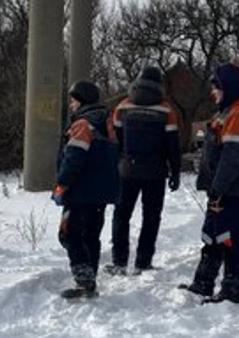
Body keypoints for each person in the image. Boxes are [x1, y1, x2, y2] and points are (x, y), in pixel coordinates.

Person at [180, 62, 239, 304]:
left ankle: (232, 288)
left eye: (216, 87)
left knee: (228, 236)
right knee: (214, 234)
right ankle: (204, 281)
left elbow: (232, 158)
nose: (212, 92)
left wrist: (218, 189)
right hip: (225, 188)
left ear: (228, 87)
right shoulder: (231, 110)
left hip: (230, 189)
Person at [106, 66, 182, 275]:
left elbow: (116, 141)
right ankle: (143, 262)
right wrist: (175, 171)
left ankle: (119, 262)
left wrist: (118, 163)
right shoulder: (167, 110)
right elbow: (173, 145)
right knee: (151, 217)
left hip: (127, 170)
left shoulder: (122, 107)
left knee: (121, 216)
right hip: (156, 172)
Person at [53, 80, 120, 299]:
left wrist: (62, 185)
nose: (71, 104)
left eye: (73, 100)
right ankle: (90, 277)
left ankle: (84, 279)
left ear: (81, 100)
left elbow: (73, 158)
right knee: (92, 234)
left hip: (81, 190)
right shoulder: (108, 122)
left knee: (71, 233)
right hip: (102, 191)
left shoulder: (83, 124)